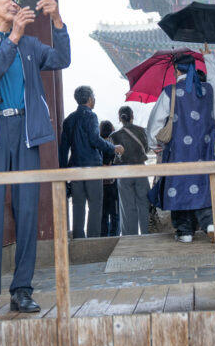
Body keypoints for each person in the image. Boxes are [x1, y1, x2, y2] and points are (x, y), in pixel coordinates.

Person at [0, 0, 71, 318]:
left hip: (25, 132)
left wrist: (57, 22)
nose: (15, 3)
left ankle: (22, 290)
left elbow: (62, 59)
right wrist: (12, 37)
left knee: (27, 213)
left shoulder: (30, 45)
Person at [147, 50, 215, 242]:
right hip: (203, 151)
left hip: (178, 152)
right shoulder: (208, 90)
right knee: (202, 184)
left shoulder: (171, 92)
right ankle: (209, 223)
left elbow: (155, 122)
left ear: (176, 71)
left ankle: (185, 232)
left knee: (178, 185)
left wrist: (154, 143)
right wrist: (208, 57)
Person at [59, 86, 123, 238]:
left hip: (75, 169)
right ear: (89, 99)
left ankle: (79, 240)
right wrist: (113, 148)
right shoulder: (91, 116)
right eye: (93, 97)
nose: (94, 99)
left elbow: (63, 149)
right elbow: (95, 140)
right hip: (92, 168)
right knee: (95, 206)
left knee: (78, 206)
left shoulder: (68, 120)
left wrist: (63, 172)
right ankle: (92, 241)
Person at [111, 105, 150, 236]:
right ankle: (146, 233)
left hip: (124, 172)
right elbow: (146, 149)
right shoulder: (142, 131)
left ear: (120, 118)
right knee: (144, 204)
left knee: (127, 206)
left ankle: (130, 236)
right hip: (140, 170)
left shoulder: (114, 135)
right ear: (132, 116)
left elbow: (113, 154)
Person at [99, 119, 121, 238]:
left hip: (100, 183)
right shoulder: (114, 144)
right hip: (113, 183)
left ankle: (103, 237)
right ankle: (114, 236)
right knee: (115, 213)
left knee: (103, 214)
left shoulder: (98, 144)